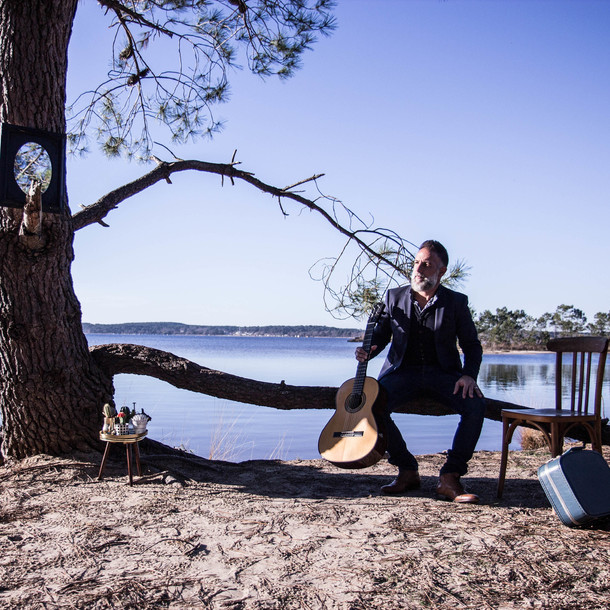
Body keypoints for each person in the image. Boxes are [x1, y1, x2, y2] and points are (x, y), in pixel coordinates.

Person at [355, 240, 485, 503]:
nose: (418, 269)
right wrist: (369, 350)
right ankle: (406, 470)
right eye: (416, 263)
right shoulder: (393, 297)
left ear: (442, 271)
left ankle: (450, 477)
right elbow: (380, 334)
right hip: (402, 372)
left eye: (426, 264)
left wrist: (469, 375)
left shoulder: (456, 302)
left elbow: (472, 345)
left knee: (476, 406)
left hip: (444, 374)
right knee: (372, 404)